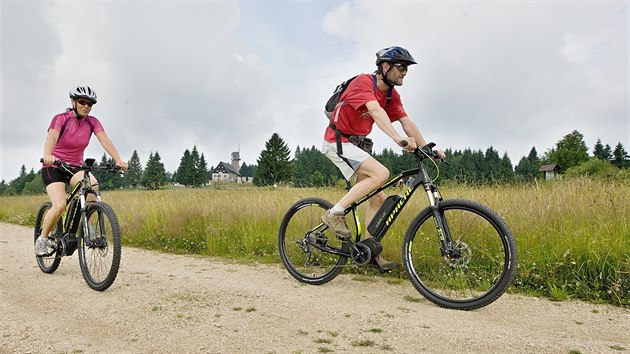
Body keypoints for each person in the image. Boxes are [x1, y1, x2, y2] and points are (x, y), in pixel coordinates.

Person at [321, 46, 445, 272]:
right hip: (337, 142)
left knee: (378, 199)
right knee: (381, 174)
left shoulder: (391, 94)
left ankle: (367, 254)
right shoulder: (363, 82)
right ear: (384, 67)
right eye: (401, 67)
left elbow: (407, 122)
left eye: (406, 69)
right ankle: (334, 213)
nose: (404, 72)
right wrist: (398, 139)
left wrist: (427, 147)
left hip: (356, 145)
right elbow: (376, 113)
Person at [36, 86, 128, 256]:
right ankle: (42, 239)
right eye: (82, 102)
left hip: (75, 166)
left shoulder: (92, 122)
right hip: (54, 166)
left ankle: (86, 225)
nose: (86, 106)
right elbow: (52, 137)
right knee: (60, 205)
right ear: (73, 102)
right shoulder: (60, 119)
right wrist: (48, 155)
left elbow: (105, 140)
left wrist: (118, 160)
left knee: (92, 185)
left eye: (90, 104)